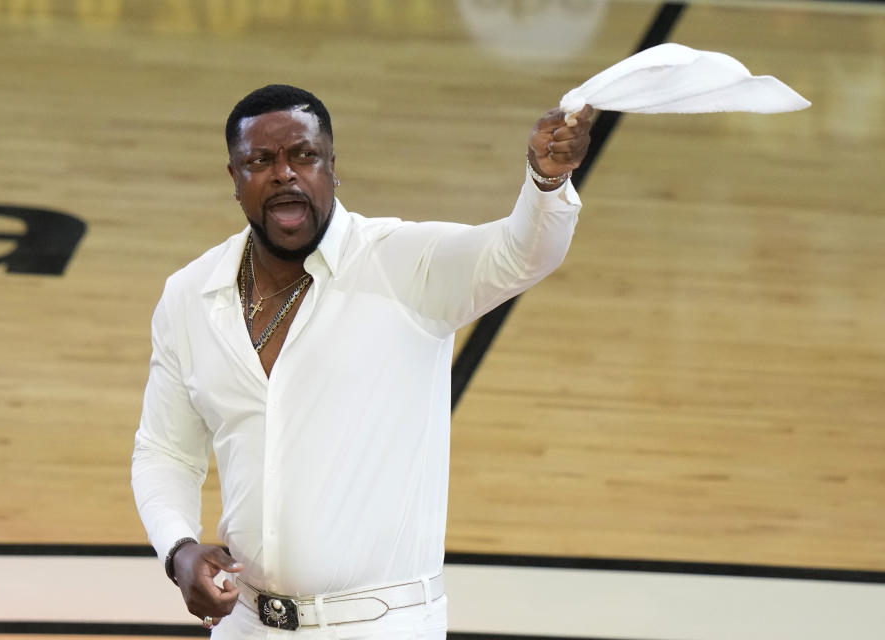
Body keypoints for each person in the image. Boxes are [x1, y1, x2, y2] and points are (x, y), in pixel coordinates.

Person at [131, 84, 593, 639]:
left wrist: (546, 182)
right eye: (261, 161)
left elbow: (521, 253)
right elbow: (164, 452)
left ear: (332, 167)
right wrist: (178, 548)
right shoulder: (189, 296)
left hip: (379, 625)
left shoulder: (404, 264)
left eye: (304, 155)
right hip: (247, 623)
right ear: (234, 178)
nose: (285, 174)